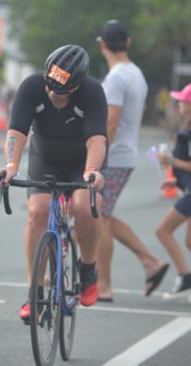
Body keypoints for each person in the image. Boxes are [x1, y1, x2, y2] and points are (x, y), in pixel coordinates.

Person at [0, 45, 107, 322]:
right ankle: (36, 290)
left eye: (60, 91)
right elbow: (17, 132)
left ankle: (88, 267)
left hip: (82, 161)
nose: (52, 94)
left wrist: (93, 171)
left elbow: (97, 139)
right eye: (50, 86)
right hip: (45, 158)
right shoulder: (32, 86)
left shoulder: (92, 92)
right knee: (38, 212)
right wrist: (11, 166)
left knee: (84, 206)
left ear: (76, 86)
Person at [95, 19, 169, 301]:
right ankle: (150, 261)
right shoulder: (136, 73)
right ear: (127, 42)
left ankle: (105, 285)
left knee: (99, 216)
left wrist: (99, 155)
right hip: (124, 154)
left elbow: (111, 121)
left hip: (113, 155)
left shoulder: (115, 78)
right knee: (103, 215)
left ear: (102, 44)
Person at [156, 83, 191, 298]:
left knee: (163, 230)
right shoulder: (186, 128)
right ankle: (186, 277)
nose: (178, 103)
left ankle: (185, 276)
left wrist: (170, 160)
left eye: (182, 101)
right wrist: (175, 181)